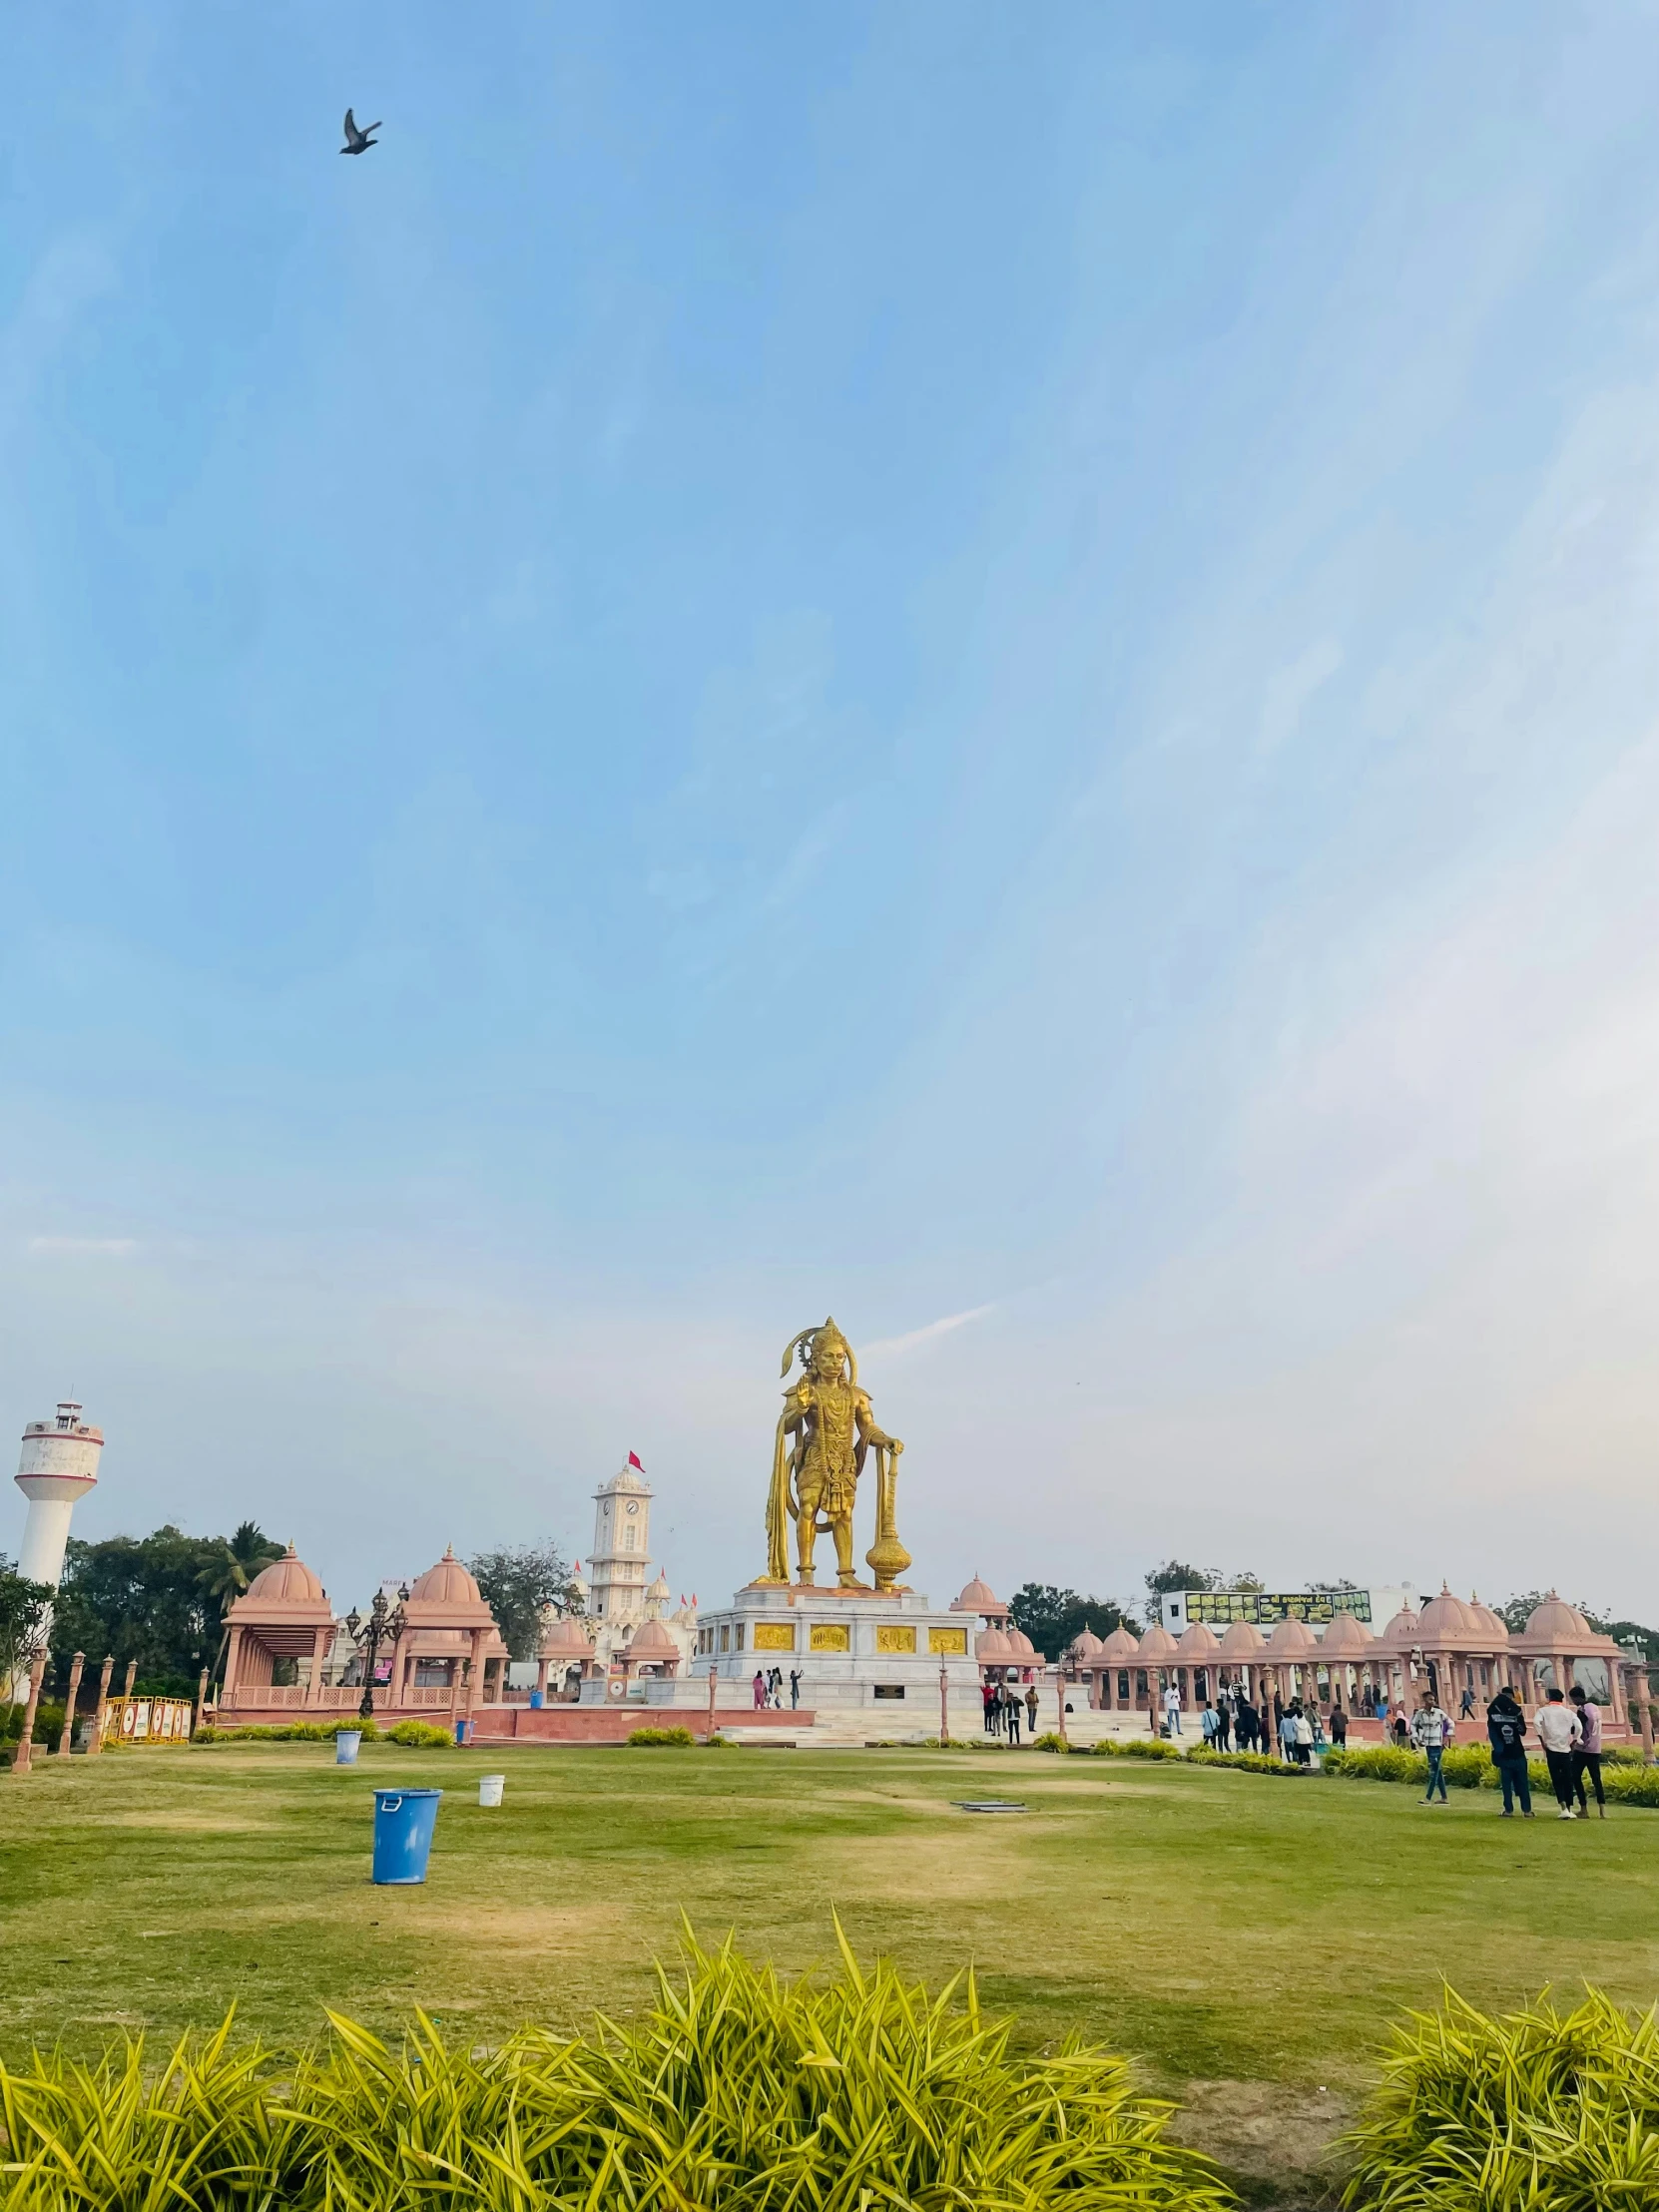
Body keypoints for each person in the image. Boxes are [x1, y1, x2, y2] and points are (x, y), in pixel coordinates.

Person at [1533, 1685, 1582, 1818]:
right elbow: (1578, 1726)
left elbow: (1536, 1723)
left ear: (1550, 1698)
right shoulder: (1568, 1712)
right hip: (1565, 1749)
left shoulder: (1543, 1711)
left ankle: (1563, 1807)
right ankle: (1570, 1809)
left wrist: (1541, 1739)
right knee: (1568, 1779)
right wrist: (1575, 1740)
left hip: (1551, 1749)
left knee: (1557, 1779)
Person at [1486, 1684, 1532, 1816]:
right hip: (1517, 1751)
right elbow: (1522, 1731)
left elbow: (1492, 1733)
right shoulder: (1516, 1712)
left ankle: (1508, 1810)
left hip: (1504, 1753)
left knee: (1507, 1785)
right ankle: (1527, 1810)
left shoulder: (1493, 1712)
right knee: (1523, 1783)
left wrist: (1497, 1751)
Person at [1569, 1686, 1606, 1820]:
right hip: (1596, 1748)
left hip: (1583, 1749)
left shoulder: (1582, 1710)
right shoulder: (1595, 1708)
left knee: (1575, 1776)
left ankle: (1584, 1808)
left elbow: (1577, 1728)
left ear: (1576, 1697)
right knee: (1596, 1779)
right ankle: (1602, 1811)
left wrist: (1574, 1740)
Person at [1411, 1693, 1452, 1804]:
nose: (1432, 1701)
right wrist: (1417, 1738)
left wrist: (1446, 1738)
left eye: (1433, 1699)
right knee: (1437, 1771)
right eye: (1430, 1699)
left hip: (1437, 1745)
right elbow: (1413, 1725)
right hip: (1428, 1745)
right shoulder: (1420, 1714)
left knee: (1433, 1771)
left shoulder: (1439, 1713)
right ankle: (1444, 1798)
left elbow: (1451, 1723)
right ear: (1424, 1700)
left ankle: (1427, 1798)